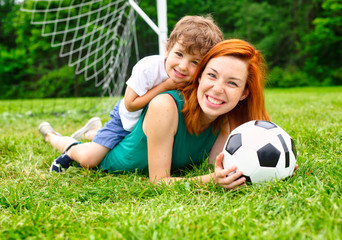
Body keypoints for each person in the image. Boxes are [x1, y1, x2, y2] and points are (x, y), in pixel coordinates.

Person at [39, 39, 274, 189]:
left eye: (232, 83)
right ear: (200, 76)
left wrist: (275, 170)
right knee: (87, 157)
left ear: (244, 93)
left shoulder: (229, 118)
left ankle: (94, 131)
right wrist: (212, 181)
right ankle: (55, 137)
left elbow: (220, 165)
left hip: (142, 136)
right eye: (212, 75)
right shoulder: (165, 105)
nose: (218, 89)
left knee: (101, 136)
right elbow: (159, 182)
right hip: (117, 160)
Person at [39, 15, 223, 172]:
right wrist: (165, 86)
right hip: (126, 119)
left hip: (147, 127)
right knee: (91, 159)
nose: (183, 66)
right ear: (167, 48)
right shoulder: (148, 68)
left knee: (108, 142)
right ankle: (71, 150)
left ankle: (93, 131)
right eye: (179, 54)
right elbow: (130, 104)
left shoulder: (199, 79)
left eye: (195, 62)